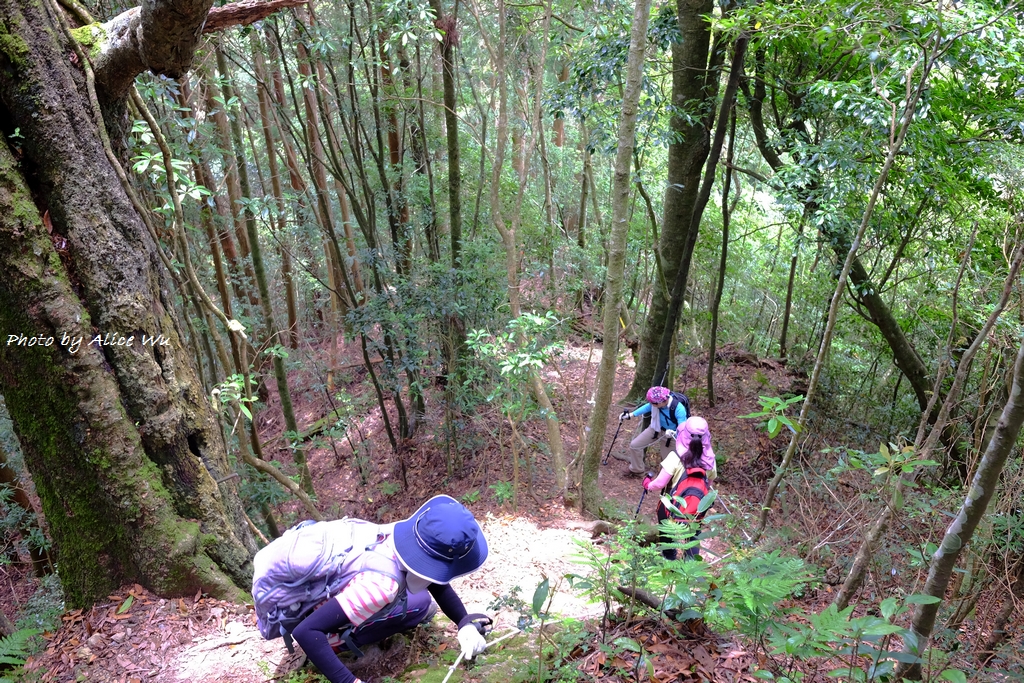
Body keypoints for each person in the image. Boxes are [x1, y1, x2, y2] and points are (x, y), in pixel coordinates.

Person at [290, 495, 490, 683]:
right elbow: (306, 631)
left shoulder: (397, 534)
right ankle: (339, 643)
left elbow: (433, 578)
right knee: (421, 605)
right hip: (319, 625)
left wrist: (464, 623)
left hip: (320, 598)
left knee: (420, 600)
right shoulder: (381, 586)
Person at [644, 416, 716, 560]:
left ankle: (669, 558)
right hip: (697, 508)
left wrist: (647, 484)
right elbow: (708, 484)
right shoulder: (710, 460)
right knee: (694, 535)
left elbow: (659, 484)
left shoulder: (675, 457)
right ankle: (690, 565)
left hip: (673, 506)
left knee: (666, 527)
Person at [616, 386, 689, 474]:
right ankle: (637, 469)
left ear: (661, 402)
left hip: (671, 436)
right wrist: (631, 415)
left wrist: (674, 433)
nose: (651, 405)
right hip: (655, 428)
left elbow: (682, 428)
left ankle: (668, 480)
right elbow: (647, 407)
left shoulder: (679, 409)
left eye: (653, 403)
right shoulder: (655, 404)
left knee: (667, 460)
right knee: (635, 445)